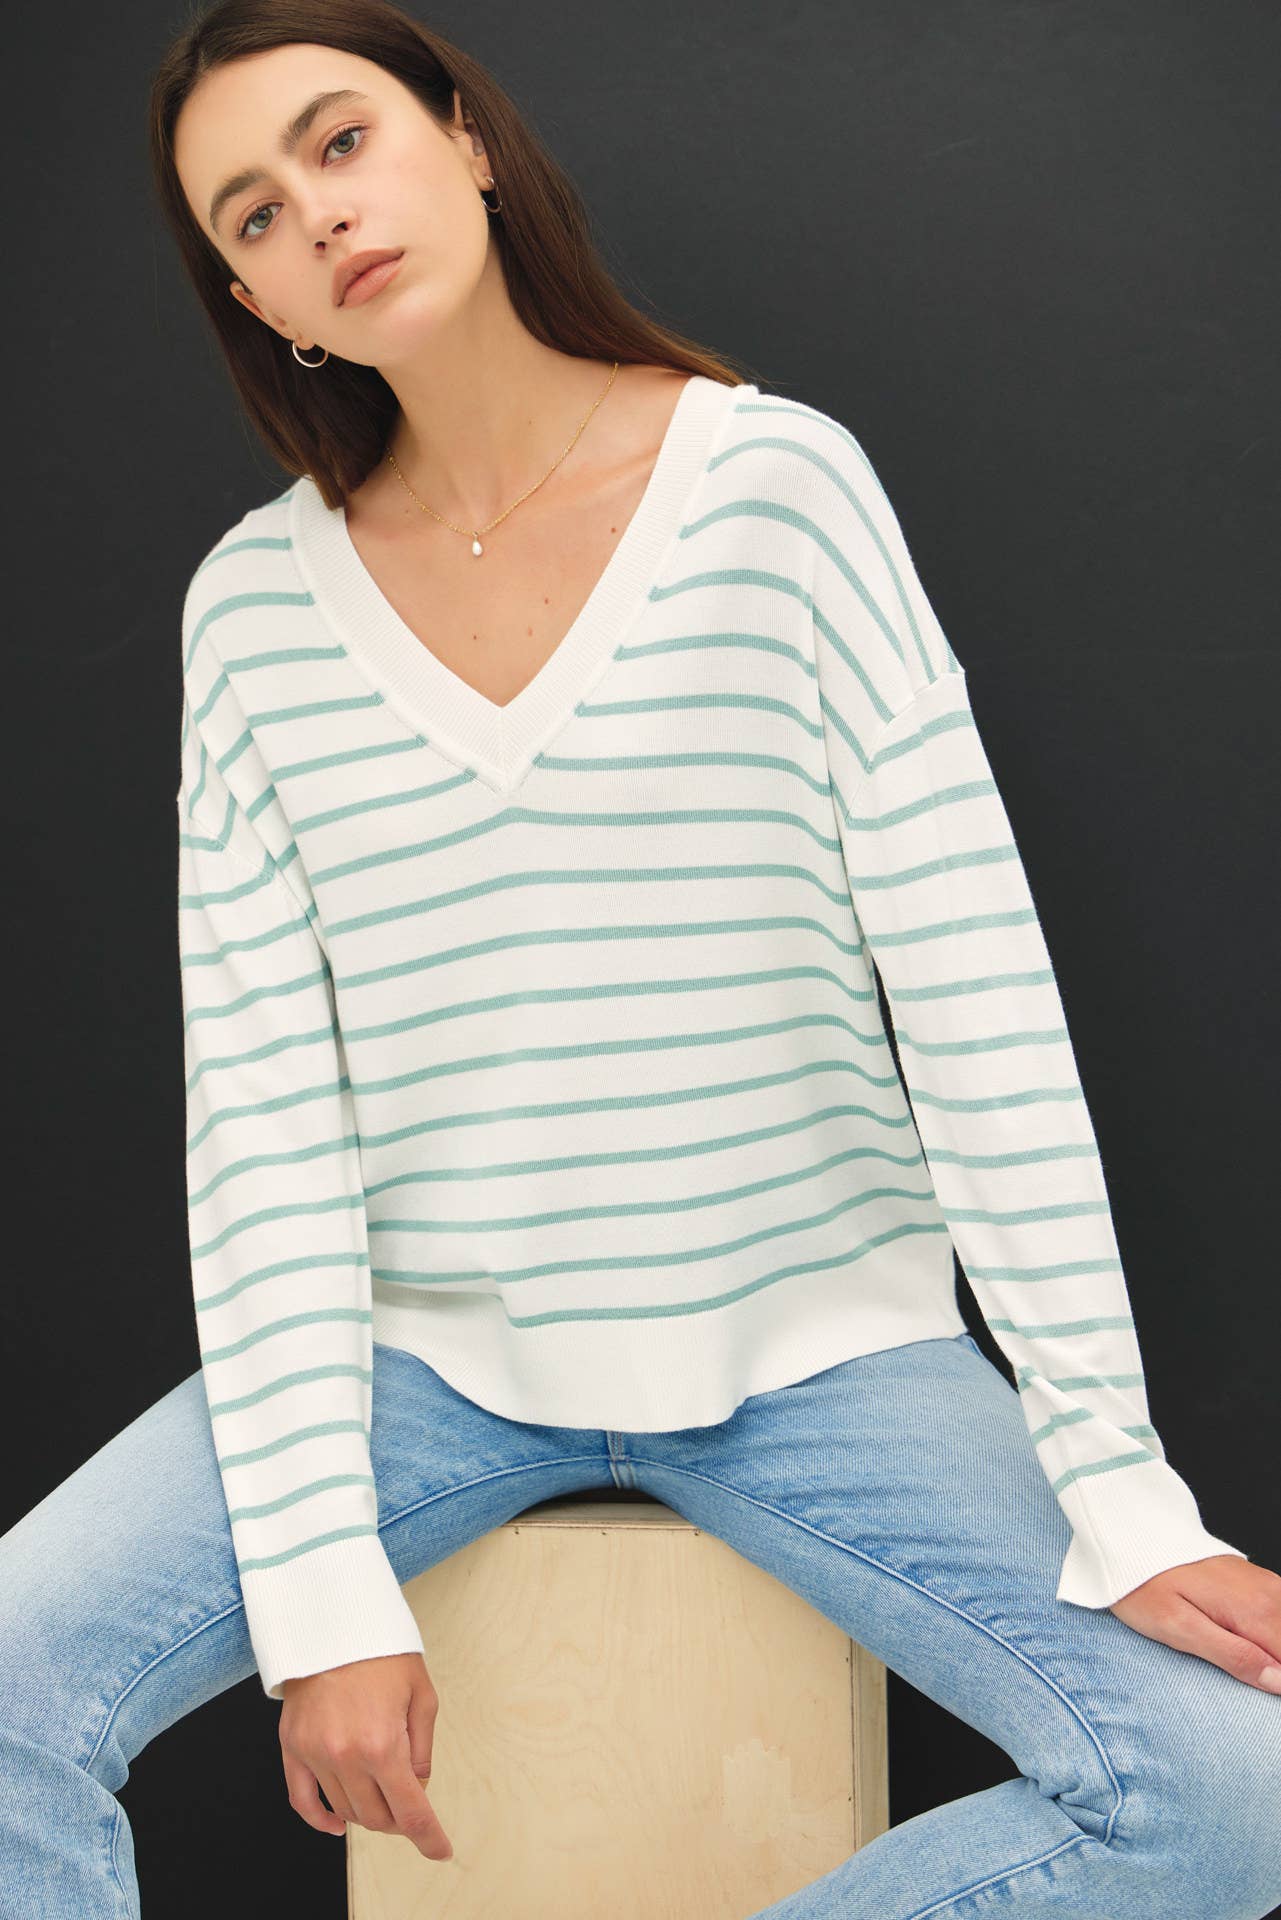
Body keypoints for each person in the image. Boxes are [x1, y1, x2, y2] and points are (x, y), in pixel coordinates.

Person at [3, 2, 1279, 1915]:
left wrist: (1115, 1483)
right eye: (251, 216)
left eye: (341, 141)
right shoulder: (253, 614)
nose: (317, 215)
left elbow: (976, 996)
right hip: (418, 1367)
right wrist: (325, 1598)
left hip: (823, 1352)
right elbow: (263, 1123)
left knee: (1233, 1793)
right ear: (257, 301)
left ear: (465, 139)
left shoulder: (780, 491)